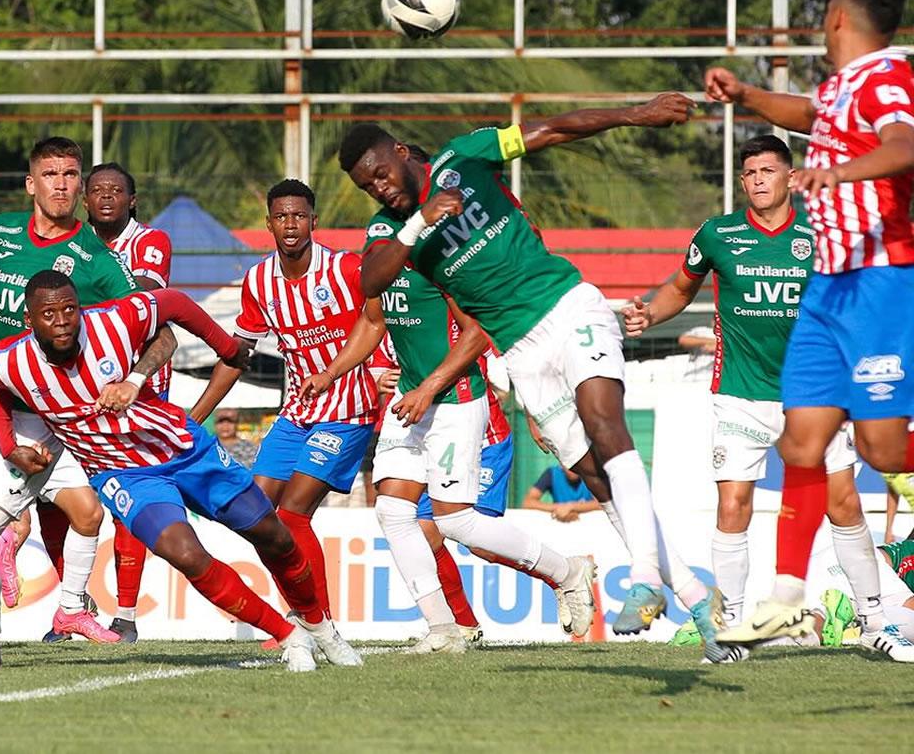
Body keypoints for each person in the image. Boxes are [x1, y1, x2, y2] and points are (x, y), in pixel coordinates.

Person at [336, 95, 738, 663]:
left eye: (380, 173)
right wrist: (422, 221)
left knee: (605, 425)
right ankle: (696, 597)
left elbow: (550, 130)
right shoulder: (391, 228)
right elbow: (372, 282)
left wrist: (633, 113)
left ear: (400, 152)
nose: (378, 188)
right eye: (367, 186)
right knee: (594, 476)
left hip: (568, 308)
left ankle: (646, 576)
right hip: (522, 356)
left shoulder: (464, 158)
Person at [0, 271, 360, 672]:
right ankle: (288, 634)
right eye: (49, 314)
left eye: (69, 310)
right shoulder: (8, 360)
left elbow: (173, 303)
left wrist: (226, 349)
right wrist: (9, 447)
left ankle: (319, 626)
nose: (61, 322)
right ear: (29, 319)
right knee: (185, 553)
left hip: (181, 447)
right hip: (123, 474)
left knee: (273, 535)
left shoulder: (111, 321)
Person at [0, 137, 174, 654]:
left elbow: (160, 330)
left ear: (80, 185)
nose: (61, 185)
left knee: (85, 514)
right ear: (30, 184)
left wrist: (132, 379)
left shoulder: (97, 260)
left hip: (51, 422)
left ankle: (68, 609)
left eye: (70, 175)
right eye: (50, 174)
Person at [707, 0, 914, 658]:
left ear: (836, 18)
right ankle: (787, 600)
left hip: (879, 281)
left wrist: (839, 172)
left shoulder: (887, 77)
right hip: (828, 287)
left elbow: (904, 146)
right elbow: (806, 115)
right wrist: (746, 95)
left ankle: (815, 603)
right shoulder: (838, 88)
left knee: (883, 451)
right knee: (801, 443)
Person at [624, 134, 872, 644]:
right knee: (733, 504)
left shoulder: (819, 233)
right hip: (740, 392)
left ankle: (875, 618)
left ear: (790, 177)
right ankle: (730, 626)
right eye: (749, 174)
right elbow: (680, 288)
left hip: (813, 393)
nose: (757, 181)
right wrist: (650, 314)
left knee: (843, 503)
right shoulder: (718, 234)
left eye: (767, 171)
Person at [300, 258, 594, 653]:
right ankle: (448, 627)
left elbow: (496, 343)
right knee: (395, 513)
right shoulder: (380, 261)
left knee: (462, 529)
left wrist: (533, 413)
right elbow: (373, 332)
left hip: (475, 424)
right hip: (411, 409)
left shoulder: (449, 264)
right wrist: (338, 374)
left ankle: (565, 572)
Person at [190, 179, 373, 661]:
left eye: (299, 216)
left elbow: (381, 322)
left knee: (293, 515)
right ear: (269, 223)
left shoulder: (344, 269)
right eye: (281, 217)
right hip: (297, 413)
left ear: (314, 221)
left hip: (349, 409)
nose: (290, 225)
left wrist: (388, 371)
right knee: (255, 516)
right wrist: (193, 418)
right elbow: (238, 354)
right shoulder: (259, 282)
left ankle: (320, 623)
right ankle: (303, 616)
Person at [33, 161, 175, 644]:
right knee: (52, 496)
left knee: (127, 499)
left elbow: (141, 299)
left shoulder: (149, 242)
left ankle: (127, 614)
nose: (106, 197)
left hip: (136, 390)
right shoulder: (67, 242)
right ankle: (74, 606)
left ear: (132, 200)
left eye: (116, 190)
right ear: (84, 199)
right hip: (72, 387)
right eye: (96, 190)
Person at [521, 465, 599, 521]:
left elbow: (601, 504)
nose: (571, 469)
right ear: (561, 463)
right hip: (559, 522)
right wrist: (560, 508)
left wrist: (571, 507)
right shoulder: (552, 473)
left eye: (575, 464)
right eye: (568, 464)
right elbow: (527, 503)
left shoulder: (591, 474)